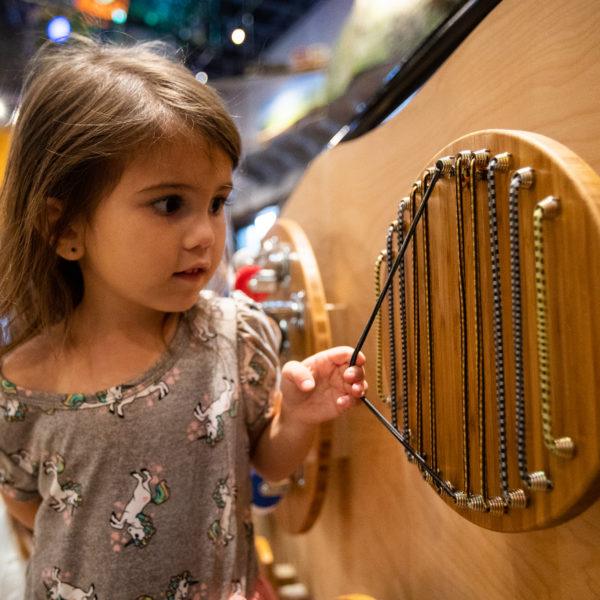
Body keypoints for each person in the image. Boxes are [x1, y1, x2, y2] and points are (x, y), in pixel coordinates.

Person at [0, 37, 367, 599]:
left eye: (217, 202)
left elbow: (263, 461)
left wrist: (294, 417)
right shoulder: (19, 387)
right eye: (170, 204)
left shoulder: (232, 337)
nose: (205, 235)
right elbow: (27, 505)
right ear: (66, 227)